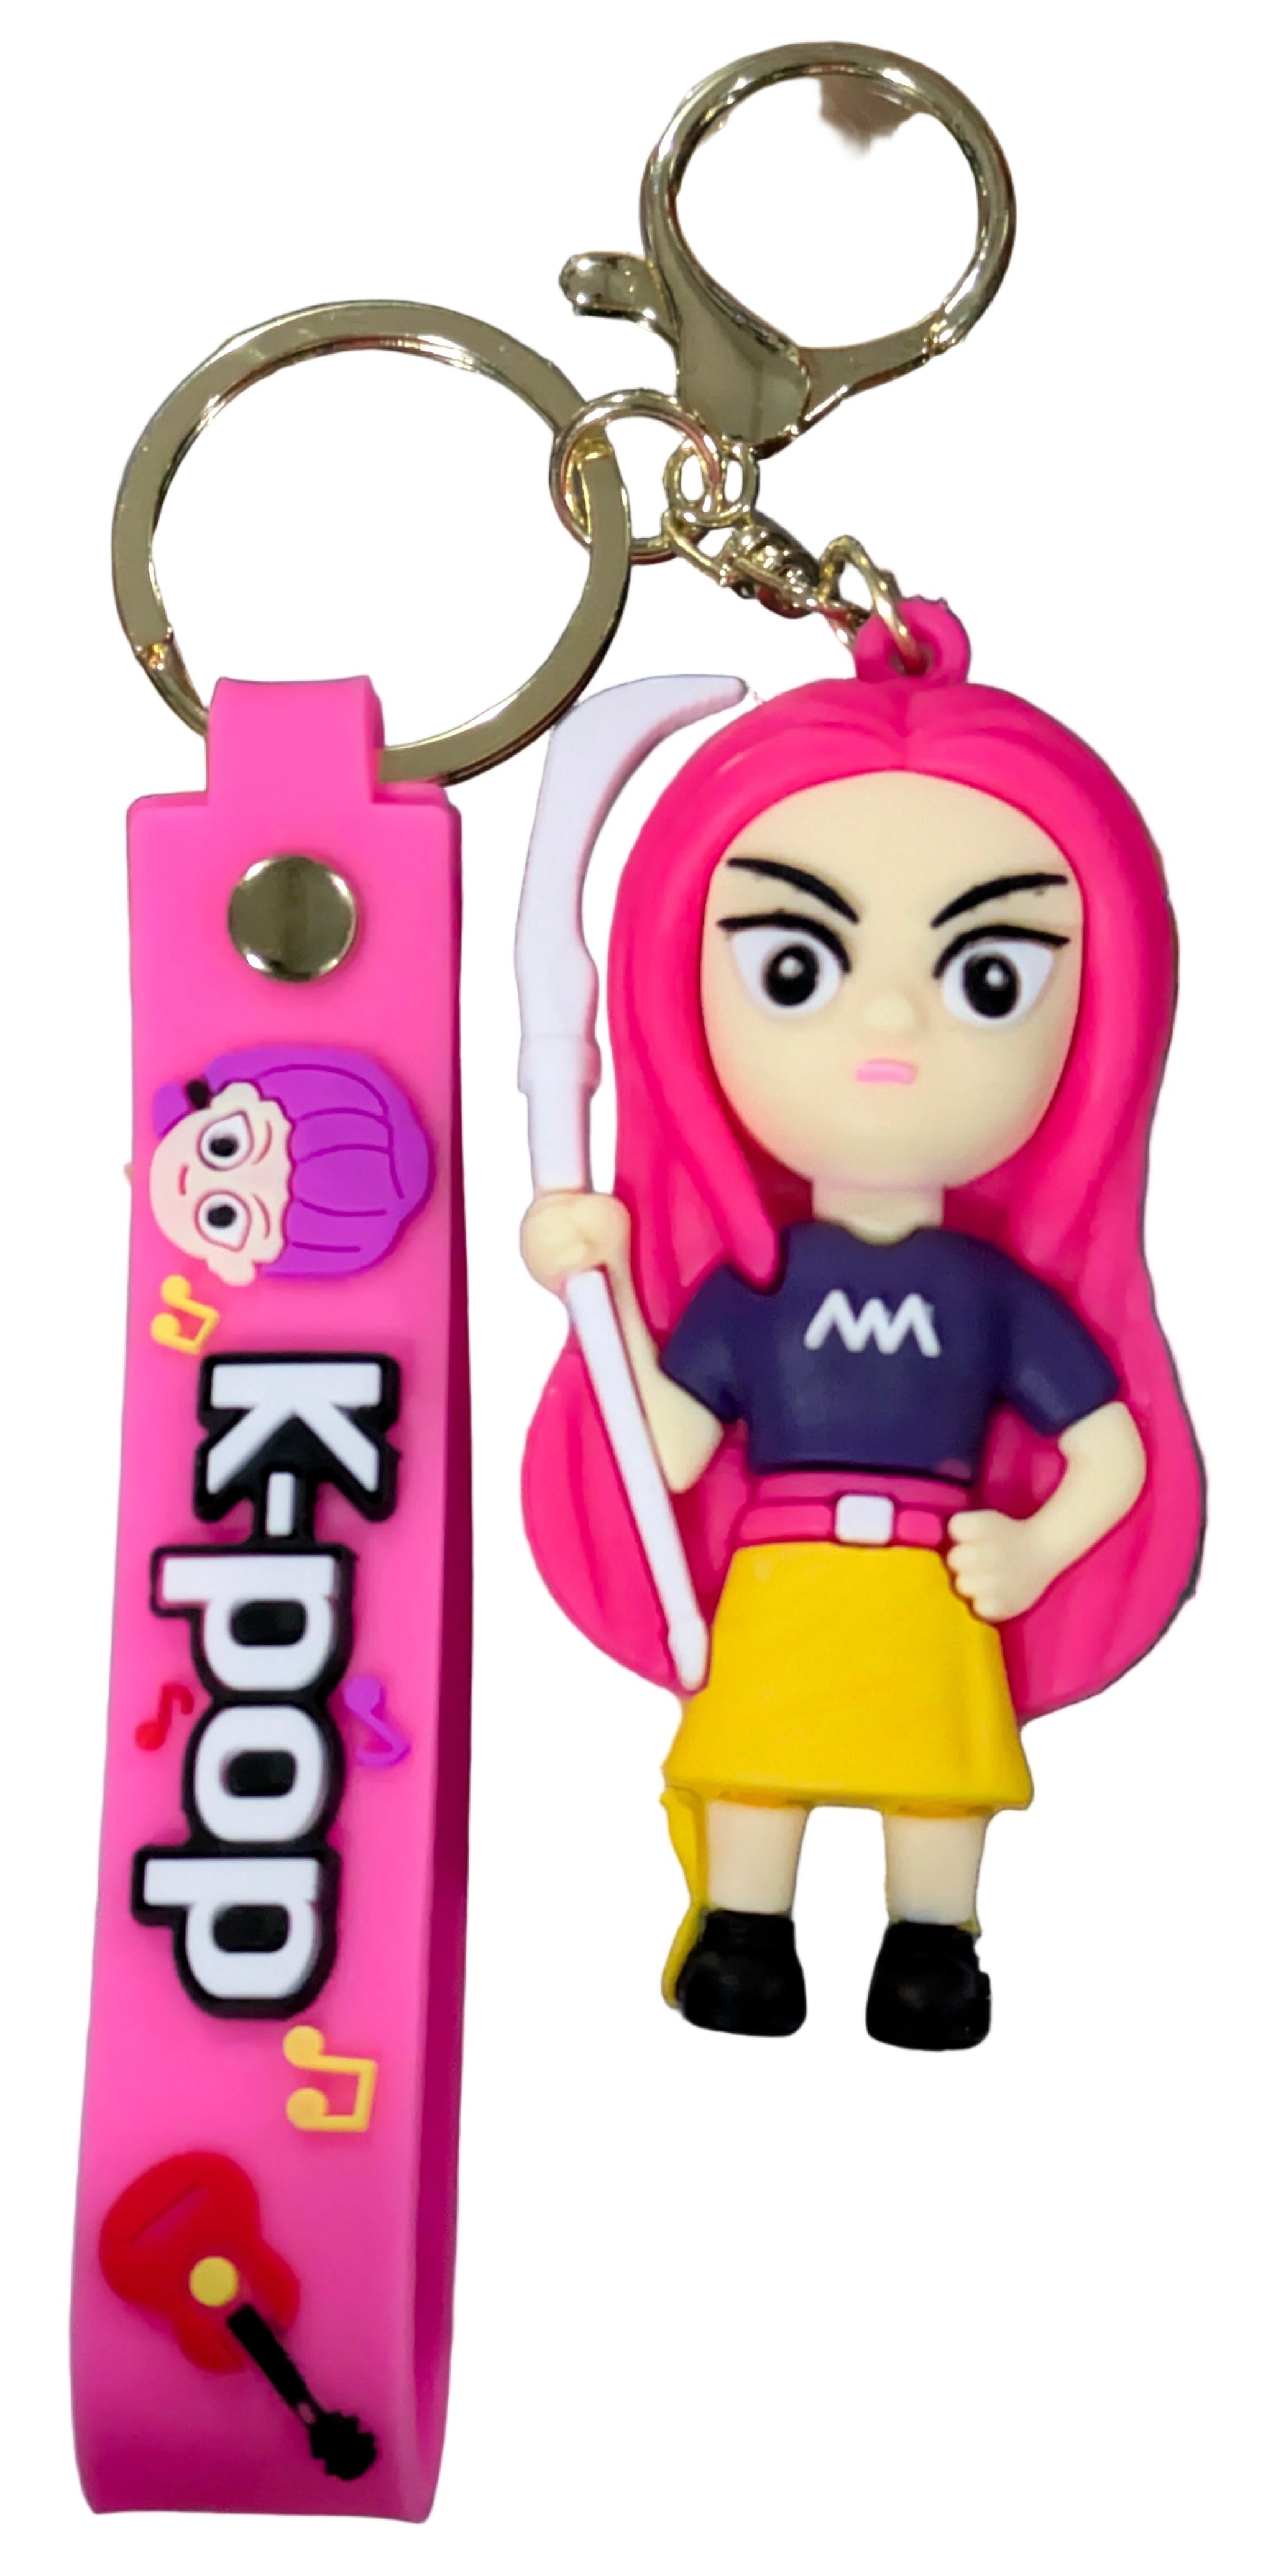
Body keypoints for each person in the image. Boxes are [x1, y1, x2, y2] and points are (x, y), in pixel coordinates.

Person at [521, 602, 1203, 2049]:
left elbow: (1111, 1450)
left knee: (938, 1780)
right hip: (778, 1574)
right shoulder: (750, 1285)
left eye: (988, 979)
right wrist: (599, 1287)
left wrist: (1033, 1548)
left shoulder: (996, 1295)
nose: (889, 1021)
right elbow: (669, 1446)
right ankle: (745, 1932)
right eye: (795, 970)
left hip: (933, 1582)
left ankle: (931, 1946)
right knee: (754, 1759)